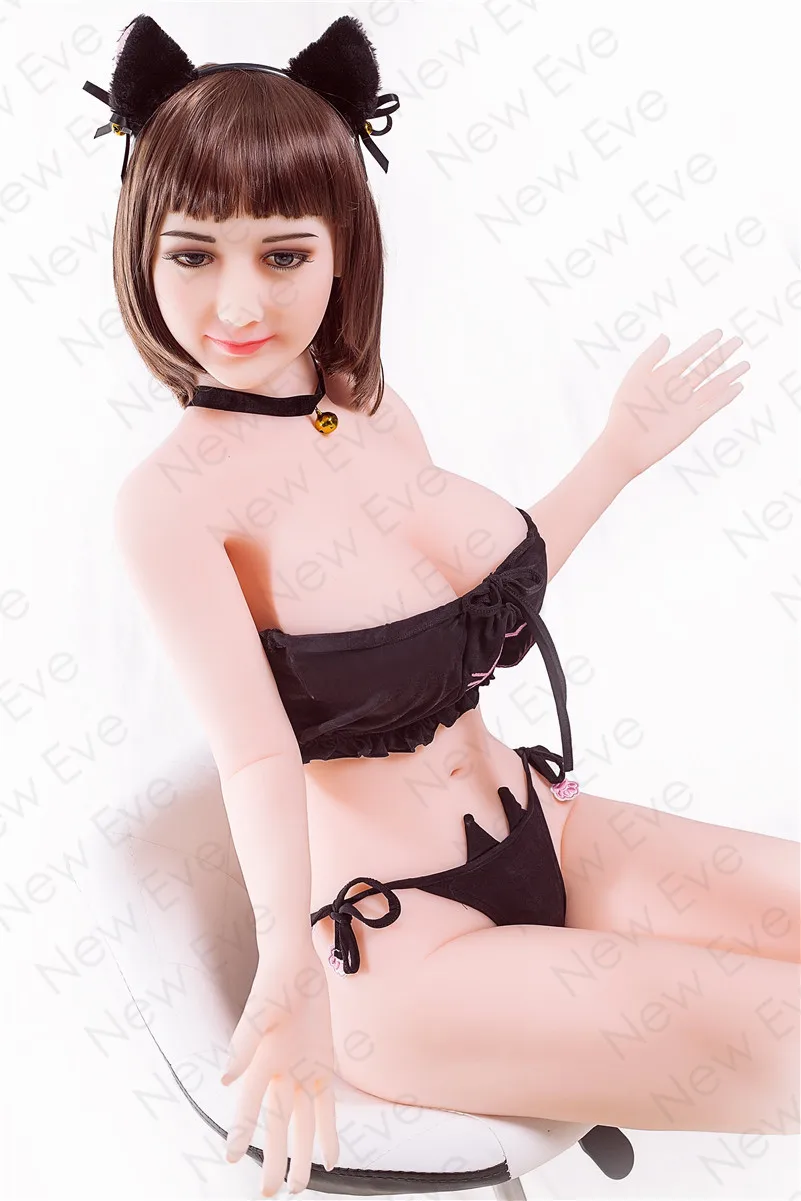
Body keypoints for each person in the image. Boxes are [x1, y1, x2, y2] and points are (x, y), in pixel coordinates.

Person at [87, 12, 800, 1199]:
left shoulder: (364, 407)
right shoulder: (170, 501)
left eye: (283, 254)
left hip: (540, 830)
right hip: (404, 945)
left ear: (341, 248)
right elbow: (258, 759)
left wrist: (618, 454)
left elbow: (484, 602)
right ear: (142, 253)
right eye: (194, 254)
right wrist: (286, 974)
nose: (236, 303)